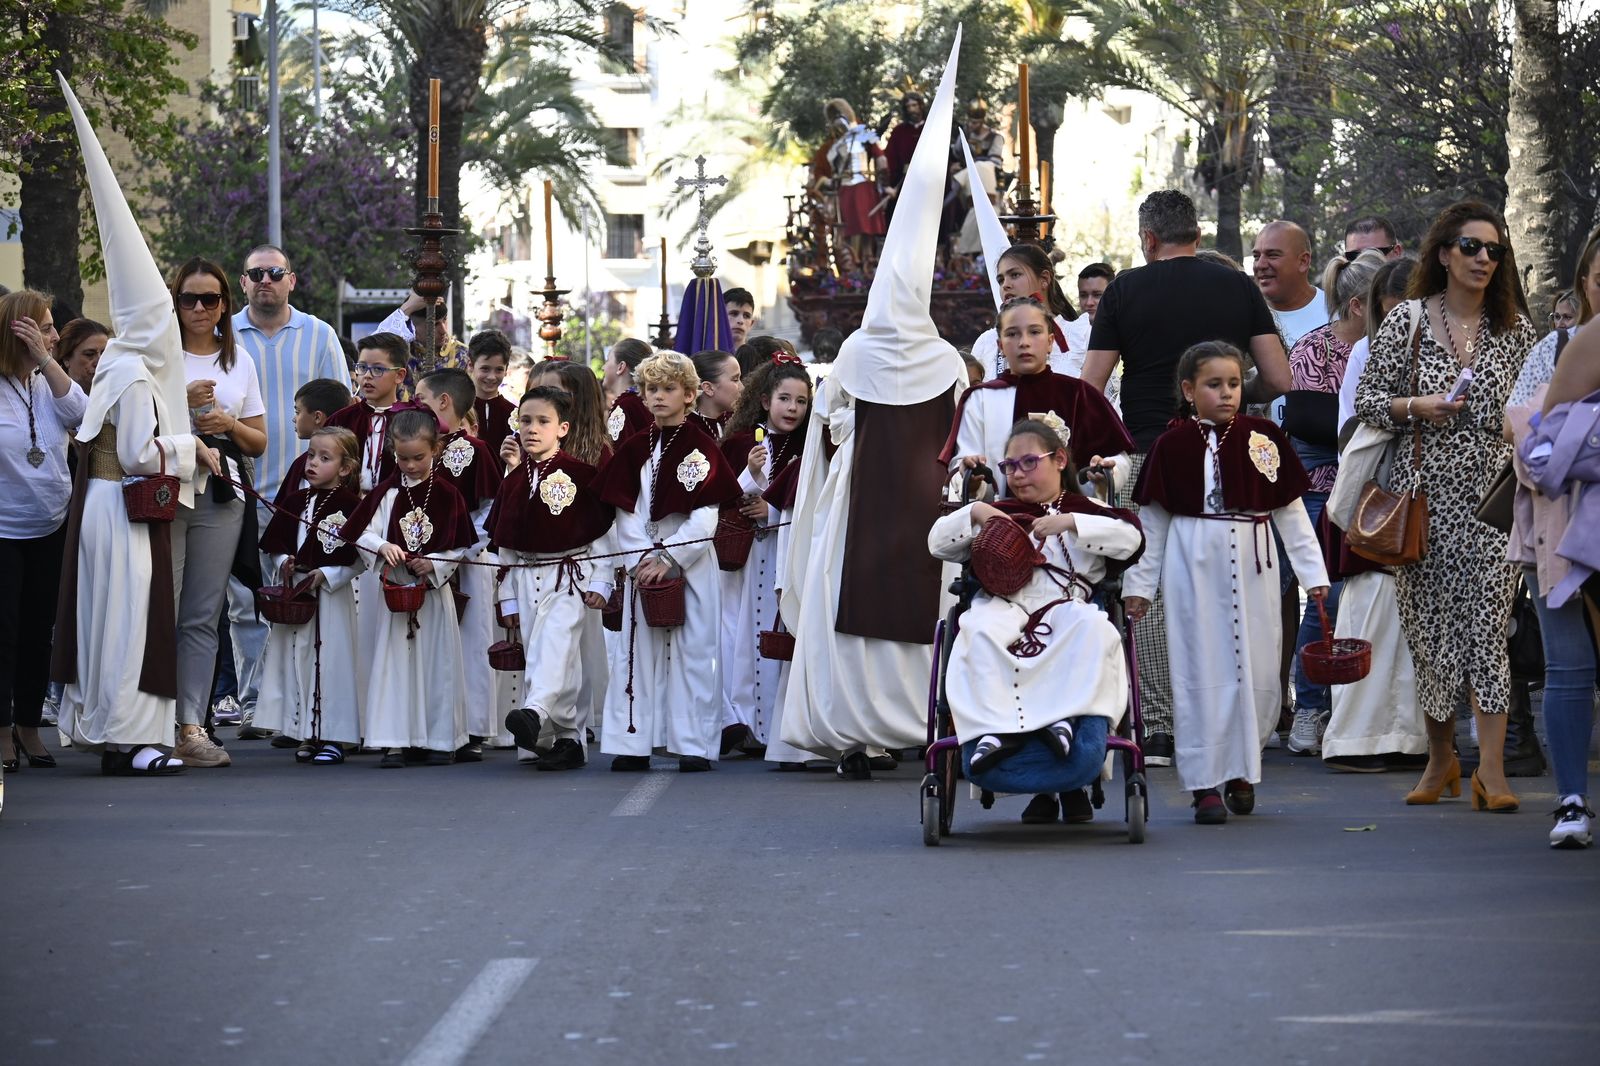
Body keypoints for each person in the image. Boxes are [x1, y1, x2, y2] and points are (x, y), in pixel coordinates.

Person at [780, 36, 967, 780]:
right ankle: (912, 725)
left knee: (852, 613)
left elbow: (827, 433)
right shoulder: (944, 360)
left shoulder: (857, 355)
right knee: (913, 609)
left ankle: (857, 731)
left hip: (860, 510)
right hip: (906, 507)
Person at [1082, 189, 1292, 766]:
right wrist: (1231, 395)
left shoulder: (1125, 288)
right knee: (1229, 588)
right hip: (1231, 454)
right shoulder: (1238, 286)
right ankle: (1239, 720)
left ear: (1148, 240)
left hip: (1154, 452)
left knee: (1149, 587)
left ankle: (1161, 725)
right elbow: (1278, 376)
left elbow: (1091, 387)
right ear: (1196, 236)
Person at [52, 80, 222, 776]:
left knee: (112, 624)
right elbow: (133, 450)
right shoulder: (133, 373)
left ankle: (121, 737)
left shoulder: (122, 365)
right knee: (129, 626)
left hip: (103, 506)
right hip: (121, 508)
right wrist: (191, 446)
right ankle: (133, 736)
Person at [1354, 200, 1536, 810]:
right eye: (1472, 247)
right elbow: (1370, 402)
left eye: (1495, 250)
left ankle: (1490, 770)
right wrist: (1417, 407)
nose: (1484, 258)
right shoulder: (1406, 319)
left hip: (1492, 497)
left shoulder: (1516, 330)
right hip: (1421, 491)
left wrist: (1520, 429)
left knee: (1488, 627)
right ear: (1443, 253)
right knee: (1430, 632)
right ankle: (1440, 759)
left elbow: (1536, 406)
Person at [1123, 341, 1329, 824]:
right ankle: (1203, 782)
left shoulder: (1264, 438)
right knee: (1200, 671)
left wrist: (1313, 575)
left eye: (1234, 384)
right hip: (1193, 563)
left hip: (1255, 562)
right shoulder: (1171, 446)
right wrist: (1138, 586)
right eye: (1214, 385)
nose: (1226, 394)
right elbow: (1152, 526)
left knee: (1257, 674)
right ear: (1189, 390)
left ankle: (1242, 768)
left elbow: (1292, 515)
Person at [930, 419, 1143, 780]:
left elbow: (1131, 540)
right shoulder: (1000, 511)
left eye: (1029, 462)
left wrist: (1072, 522)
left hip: (1065, 605)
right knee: (976, 627)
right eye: (1009, 466)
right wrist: (977, 511)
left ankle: (1063, 721)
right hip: (1004, 604)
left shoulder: (1085, 507)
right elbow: (937, 543)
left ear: (1060, 460)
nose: (1018, 474)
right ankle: (993, 730)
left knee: (1092, 625)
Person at [590, 351, 743, 772]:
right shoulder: (634, 447)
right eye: (651, 389)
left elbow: (707, 511)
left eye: (668, 389)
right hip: (643, 564)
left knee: (695, 653)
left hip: (691, 565)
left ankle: (693, 744)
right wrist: (644, 558)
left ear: (690, 395)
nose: (658, 397)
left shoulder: (701, 446)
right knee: (635, 652)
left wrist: (672, 556)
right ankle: (632, 742)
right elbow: (625, 509)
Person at [230, 244, 347, 738]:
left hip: (306, 493)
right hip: (238, 488)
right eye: (256, 273)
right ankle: (256, 702)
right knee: (244, 602)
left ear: (291, 280)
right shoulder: (223, 336)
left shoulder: (318, 334)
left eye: (275, 273)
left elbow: (341, 411)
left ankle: (298, 702)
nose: (266, 281)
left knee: (299, 597)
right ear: (243, 283)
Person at [1281, 249, 1389, 756]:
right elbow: (1311, 427)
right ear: (1357, 306)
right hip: (1326, 485)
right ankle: (1310, 704)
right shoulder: (1312, 351)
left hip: (1383, 483)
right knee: (1327, 595)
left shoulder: (1392, 347)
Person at [1321, 256, 1427, 773]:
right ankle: (1359, 738)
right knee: (1372, 614)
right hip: (1381, 500)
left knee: (1414, 628)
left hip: (1427, 496)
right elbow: (1358, 428)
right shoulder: (1369, 350)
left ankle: (1413, 739)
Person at [170, 257, 268, 768]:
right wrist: (182, 406)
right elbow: (135, 420)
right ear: (175, 302)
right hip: (166, 489)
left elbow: (258, 442)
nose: (201, 308)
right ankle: (149, 721)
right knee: (159, 604)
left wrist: (227, 422)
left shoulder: (240, 361)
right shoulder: (157, 356)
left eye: (211, 299)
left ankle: (191, 724)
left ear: (226, 305)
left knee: (203, 614)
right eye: (190, 298)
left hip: (221, 493)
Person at [1506, 318, 1600, 847]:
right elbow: (1518, 428)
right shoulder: (1561, 345)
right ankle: (1571, 801)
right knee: (1569, 664)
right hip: (1558, 522)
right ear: (1586, 283)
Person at [489, 386, 616, 771]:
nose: (531, 429)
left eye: (542, 421)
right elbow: (505, 548)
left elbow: (603, 534)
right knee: (546, 654)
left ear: (562, 428)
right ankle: (566, 739)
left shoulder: (582, 475)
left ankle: (535, 711)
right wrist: (507, 599)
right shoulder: (511, 481)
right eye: (525, 421)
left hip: (569, 576)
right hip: (526, 578)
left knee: (556, 646)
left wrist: (602, 582)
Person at [343, 409, 476, 767]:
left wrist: (435, 563)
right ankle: (395, 740)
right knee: (394, 666)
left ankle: (439, 738)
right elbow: (362, 532)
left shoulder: (449, 494)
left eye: (419, 457)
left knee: (438, 665)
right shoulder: (386, 493)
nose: (411, 465)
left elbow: (460, 545)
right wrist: (381, 547)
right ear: (392, 451)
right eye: (402, 458)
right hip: (395, 595)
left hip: (433, 596)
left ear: (436, 449)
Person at [0, 291, 86, 775]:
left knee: (38, 633)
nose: (55, 336)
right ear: (19, 332)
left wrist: (46, 361)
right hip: (3, 531)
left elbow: (82, 417)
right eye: (46, 328)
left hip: (50, 526)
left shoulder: (47, 382)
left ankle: (30, 725)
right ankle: (2, 729)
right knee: (4, 633)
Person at [943, 296, 1133, 498]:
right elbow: (961, 465)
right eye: (1013, 334)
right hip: (999, 519)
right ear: (1000, 346)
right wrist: (971, 479)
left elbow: (1117, 459)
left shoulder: (1079, 394)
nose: (1024, 342)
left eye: (1034, 332)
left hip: (1070, 519)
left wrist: (1107, 472)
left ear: (1050, 341)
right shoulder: (980, 399)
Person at [718, 361, 811, 759]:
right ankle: (742, 722)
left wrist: (771, 511)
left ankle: (776, 723)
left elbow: (809, 500)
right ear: (765, 401)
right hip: (748, 555)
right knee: (741, 636)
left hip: (785, 549)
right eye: (784, 399)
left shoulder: (810, 447)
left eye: (801, 401)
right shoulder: (742, 443)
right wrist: (750, 475)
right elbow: (722, 493)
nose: (792, 408)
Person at [254, 427, 364, 763]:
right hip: (298, 596)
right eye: (311, 455)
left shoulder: (352, 506)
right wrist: (283, 560)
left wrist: (328, 574)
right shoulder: (294, 501)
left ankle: (335, 736)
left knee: (332, 663)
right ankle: (307, 732)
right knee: (299, 662)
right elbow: (276, 543)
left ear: (345, 468)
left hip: (331, 597)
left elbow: (359, 558)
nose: (313, 463)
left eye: (324, 458)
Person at [415, 368, 503, 760]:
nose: (415, 407)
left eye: (421, 399)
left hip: (466, 564)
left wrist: (455, 555)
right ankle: (430, 725)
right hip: (423, 566)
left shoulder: (475, 451)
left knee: (470, 646)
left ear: (443, 402)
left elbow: (488, 512)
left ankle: (471, 729)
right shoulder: (417, 448)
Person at [1509, 225, 1598, 408]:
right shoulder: (1552, 347)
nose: (1560, 323)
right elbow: (1512, 421)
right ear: (1585, 286)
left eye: (1567, 317)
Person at [969, 244, 1087, 382]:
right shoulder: (986, 343)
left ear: (1044, 279)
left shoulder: (1082, 335)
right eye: (1001, 280)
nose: (1005, 285)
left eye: (1015, 275)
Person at [328, 332, 412, 493]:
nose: (367, 376)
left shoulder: (413, 422)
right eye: (362, 367)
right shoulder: (341, 420)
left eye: (378, 369)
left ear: (400, 375)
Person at [824, 99, 887, 260]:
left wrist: (884, 184)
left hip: (863, 187)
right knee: (851, 230)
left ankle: (866, 264)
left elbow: (881, 160)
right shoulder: (835, 146)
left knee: (866, 231)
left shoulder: (863, 134)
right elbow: (833, 170)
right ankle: (854, 268)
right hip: (847, 189)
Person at [1252, 221, 1328, 348]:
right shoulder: (1245, 316)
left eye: (1272, 255)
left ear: (1303, 261)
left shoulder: (1337, 313)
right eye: (1256, 256)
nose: (1260, 264)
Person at [466, 330, 516, 459]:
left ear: (506, 370)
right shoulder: (460, 410)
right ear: (471, 365)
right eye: (485, 369)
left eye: (499, 369)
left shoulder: (514, 414)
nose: (492, 377)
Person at [603, 338, 653, 443]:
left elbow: (619, 454)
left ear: (621, 367)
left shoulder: (624, 405)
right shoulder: (647, 401)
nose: (604, 367)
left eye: (608, 360)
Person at [690, 349, 741, 439]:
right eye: (735, 379)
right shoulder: (688, 430)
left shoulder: (737, 423)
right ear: (708, 388)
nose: (742, 387)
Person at [55, 318, 107, 393]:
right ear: (66, 359)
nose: (100, 362)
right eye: (89, 354)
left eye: (105, 353)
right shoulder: (47, 398)